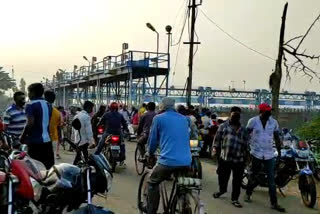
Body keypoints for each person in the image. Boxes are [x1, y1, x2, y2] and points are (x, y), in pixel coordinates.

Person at [146, 98, 192, 214]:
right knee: (182, 186)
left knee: (152, 183)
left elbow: (153, 141)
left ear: (161, 107)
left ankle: (151, 211)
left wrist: (150, 153)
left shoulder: (158, 119)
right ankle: (183, 203)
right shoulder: (185, 119)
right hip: (186, 161)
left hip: (167, 162)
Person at [245, 103, 285, 212]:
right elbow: (245, 135)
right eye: (267, 111)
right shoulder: (253, 121)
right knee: (254, 175)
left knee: (272, 180)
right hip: (256, 153)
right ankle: (248, 193)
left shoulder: (274, 122)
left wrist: (280, 152)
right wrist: (246, 149)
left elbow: (276, 137)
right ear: (261, 112)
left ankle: (274, 203)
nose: (269, 113)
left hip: (269, 154)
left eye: (270, 111)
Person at [212, 107, 249, 208]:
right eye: (234, 115)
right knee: (222, 177)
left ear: (239, 116)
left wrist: (246, 158)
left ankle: (235, 199)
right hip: (225, 158)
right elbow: (217, 141)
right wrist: (217, 155)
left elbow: (246, 144)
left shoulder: (243, 129)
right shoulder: (223, 126)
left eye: (237, 115)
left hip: (239, 159)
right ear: (230, 115)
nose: (235, 117)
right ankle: (222, 190)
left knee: (237, 181)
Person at [20, 83, 54, 169]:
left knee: (35, 169)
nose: (28, 94)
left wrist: (22, 136)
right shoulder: (48, 104)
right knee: (48, 169)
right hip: (47, 141)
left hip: (35, 142)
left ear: (33, 92)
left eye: (29, 92)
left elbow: (30, 123)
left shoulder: (30, 105)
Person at [44, 90, 62, 159]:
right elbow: (59, 127)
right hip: (54, 138)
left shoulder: (40, 110)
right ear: (54, 100)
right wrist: (60, 137)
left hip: (43, 139)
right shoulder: (57, 112)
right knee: (51, 160)